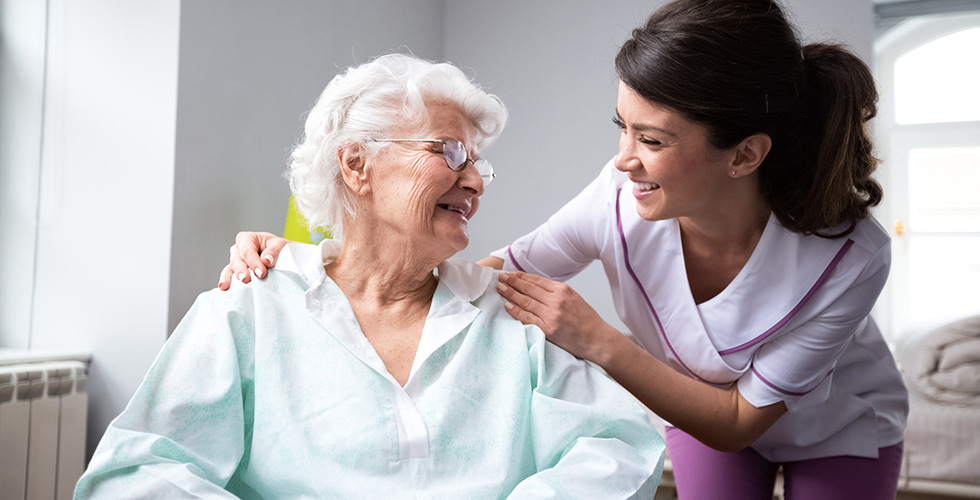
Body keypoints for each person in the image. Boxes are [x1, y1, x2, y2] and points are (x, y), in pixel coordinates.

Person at [222, 1, 910, 498]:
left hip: (835, 426)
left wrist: (597, 339)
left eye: (653, 141)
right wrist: (322, 263)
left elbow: (735, 421)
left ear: (744, 156)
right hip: (694, 411)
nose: (624, 160)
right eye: (623, 127)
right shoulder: (618, 197)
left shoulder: (849, 258)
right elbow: (497, 275)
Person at [76, 53, 665, 499]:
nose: (476, 181)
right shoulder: (248, 308)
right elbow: (137, 473)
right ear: (357, 164)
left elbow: (621, 447)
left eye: (478, 163)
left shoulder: (513, 316)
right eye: (449, 153)